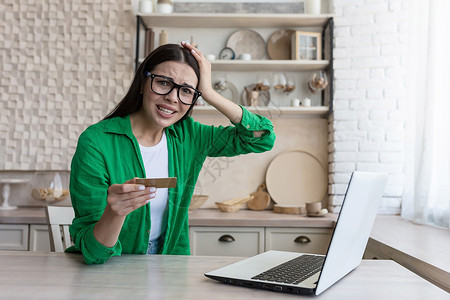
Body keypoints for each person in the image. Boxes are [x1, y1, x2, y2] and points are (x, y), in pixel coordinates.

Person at [67, 41, 276, 264]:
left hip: (171, 263)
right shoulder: (96, 142)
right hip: (112, 265)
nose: (173, 98)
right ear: (142, 82)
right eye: (163, 83)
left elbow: (263, 137)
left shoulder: (190, 136)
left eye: (186, 91)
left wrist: (209, 93)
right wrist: (114, 213)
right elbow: (94, 253)